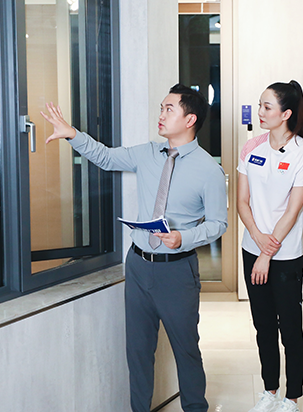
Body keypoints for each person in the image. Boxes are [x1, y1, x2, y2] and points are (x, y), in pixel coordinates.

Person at [41, 84, 227, 412]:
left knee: (186, 349)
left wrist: (183, 237)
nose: (161, 115)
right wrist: (72, 134)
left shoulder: (209, 170)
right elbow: (106, 157)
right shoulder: (147, 153)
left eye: (169, 109)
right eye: (161, 108)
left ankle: (195, 408)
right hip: (139, 266)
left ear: (190, 119)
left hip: (177, 271)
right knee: (138, 351)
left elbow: (218, 223)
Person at [237, 81, 303, 412]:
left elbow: (292, 210)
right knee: (264, 326)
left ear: (286, 114)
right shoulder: (251, 148)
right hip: (252, 248)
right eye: (260, 105)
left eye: (267, 107)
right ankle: (269, 391)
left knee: (290, 328)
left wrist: (266, 253)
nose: (260, 112)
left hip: (286, 256)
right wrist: (257, 239)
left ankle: (292, 397)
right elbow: (242, 201)